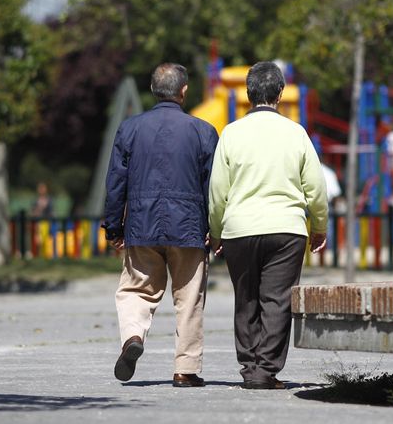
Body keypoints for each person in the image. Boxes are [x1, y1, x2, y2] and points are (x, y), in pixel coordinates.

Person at [208, 61, 328, 390]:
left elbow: (218, 191)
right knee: (277, 300)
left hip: (239, 228)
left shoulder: (230, 133)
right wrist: (319, 226)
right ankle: (266, 371)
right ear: (280, 92)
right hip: (286, 229)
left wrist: (216, 231)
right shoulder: (296, 132)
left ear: (248, 95)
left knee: (245, 298)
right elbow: (315, 188)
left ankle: (249, 367)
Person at [103, 63, 219, 388]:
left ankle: (132, 337)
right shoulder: (203, 131)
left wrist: (114, 227)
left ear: (154, 90)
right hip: (189, 228)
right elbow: (214, 186)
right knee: (189, 298)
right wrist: (214, 227)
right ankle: (186, 369)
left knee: (136, 289)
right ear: (184, 91)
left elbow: (115, 182)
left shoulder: (130, 128)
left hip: (141, 224)